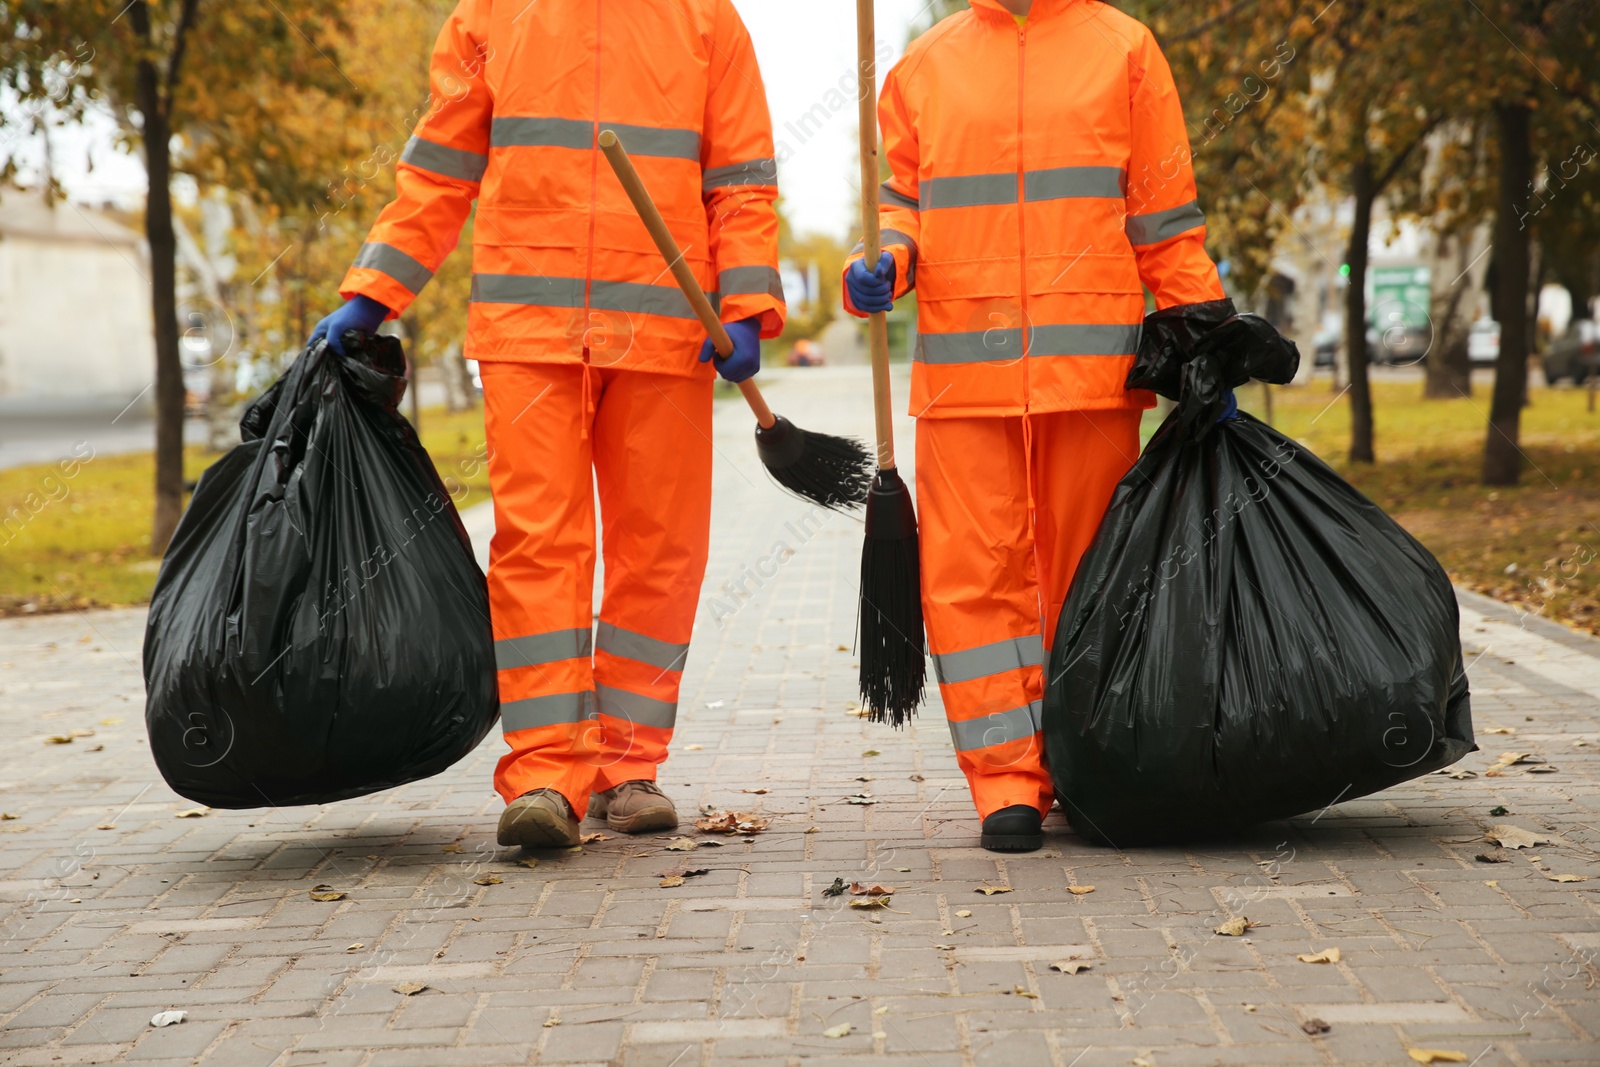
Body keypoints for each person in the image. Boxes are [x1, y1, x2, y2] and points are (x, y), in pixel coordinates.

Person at [312, 0, 785, 848]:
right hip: (531, 329)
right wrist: (375, 288)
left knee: (660, 545)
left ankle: (628, 764)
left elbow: (741, 180)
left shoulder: (707, 21)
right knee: (538, 541)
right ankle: (543, 775)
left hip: (662, 331)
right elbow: (439, 169)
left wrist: (746, 300)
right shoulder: (489, 14)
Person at [843, 0, 1238, 852]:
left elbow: (1165, 220)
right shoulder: (924, 64)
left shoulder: (1124, 50)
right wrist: (881, 261)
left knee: (1089, 579)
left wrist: (1204, 332)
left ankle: (1085, 761)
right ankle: (1005, 783)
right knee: (969, 579)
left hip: (1089, 378)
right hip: (965, 382)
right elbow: (898, 205)